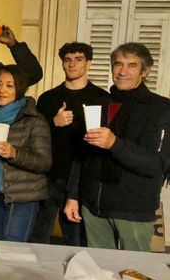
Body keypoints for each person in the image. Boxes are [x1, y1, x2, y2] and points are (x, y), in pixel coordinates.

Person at [64, 43, 170, 252]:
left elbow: (157, 165)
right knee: (98, 274)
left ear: (145, 70)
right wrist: (74, 196)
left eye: (132, 65)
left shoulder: (161, 109)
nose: (123, 71)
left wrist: (115, 144)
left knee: (134, 277)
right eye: (118, 64)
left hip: (133, 211)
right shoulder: (100, 103)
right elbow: (82, 155)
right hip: (93, 208)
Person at [30, 42, 110, 246]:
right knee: (38, 235)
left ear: (89, 63)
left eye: (78, 59)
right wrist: (53, 123)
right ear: (62, 64)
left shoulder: (102, 99)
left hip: (82, 178)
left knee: (76, 238)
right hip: (49, 175)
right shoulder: (48, 98)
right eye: (67, 60)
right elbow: (35, 136)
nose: (72, 64)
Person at [0, 65, 51, 242]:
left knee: (13, 249)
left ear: (20, 89)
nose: (2, 91)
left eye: (9, 86)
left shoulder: (33, 119)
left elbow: (44, 162)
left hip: (22, 197)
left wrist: (15, 153)